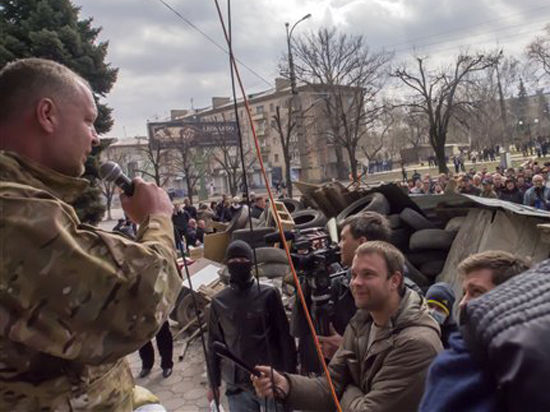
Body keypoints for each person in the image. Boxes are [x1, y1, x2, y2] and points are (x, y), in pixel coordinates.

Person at [0, 58, 181, 410]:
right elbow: (139, 301)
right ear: (47, 115)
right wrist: (158, 217)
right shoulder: (14, 214)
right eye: (88, 121)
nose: (95, 137)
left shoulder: (28, 200)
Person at [253, 241, 443, 412]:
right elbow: (330, 388)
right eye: (353, 274)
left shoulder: (417, 344)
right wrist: (286, 384)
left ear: (395, 280)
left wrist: (348, 389)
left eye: (368, 274)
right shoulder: (362, 324)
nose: (356, 282)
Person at [420, 252, 539, 412]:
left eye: (476, 292)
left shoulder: (531, 374)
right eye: (464, 293)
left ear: (510, 298)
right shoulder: (452, 362)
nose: (463, 303)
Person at [207, 240, 296, 411]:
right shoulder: (218, 302)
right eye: (233, 261)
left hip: (268, 378)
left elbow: (285, 337)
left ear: (251, 263)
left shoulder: (268, 294)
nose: (238, 264)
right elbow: (214, 345)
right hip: (237, 385)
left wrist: (290, 376)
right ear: (227, 264)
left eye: (242, 260)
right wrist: (213, 383)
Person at [425, 282, 457, 348]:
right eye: (430, 306)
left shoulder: (453, 340)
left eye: (440, 309)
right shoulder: (412, 321)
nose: (433, 311)